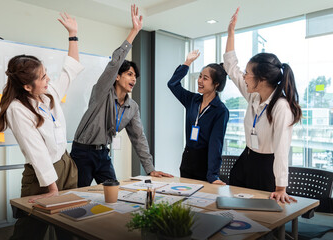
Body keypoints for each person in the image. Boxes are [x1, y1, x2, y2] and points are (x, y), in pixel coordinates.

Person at [0, 13, 84, 239]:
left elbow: (69, 71)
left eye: (46, 74)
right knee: (30, 232)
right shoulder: (17, 109)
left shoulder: (47, 94)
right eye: (43, 77)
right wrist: (52, 188)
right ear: (26, 86)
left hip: (65, 164)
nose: (48, 79)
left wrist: (73, 35)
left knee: (69, 226)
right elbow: (37, 151)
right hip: (41, 175)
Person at [71, 5, 173, 188]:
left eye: (135, 76)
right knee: (79, 196)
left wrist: (150, 169)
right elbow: (114, 63)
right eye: (129, 74)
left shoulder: (132, 107)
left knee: (114, 193)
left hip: (103, 154)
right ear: (117, 76)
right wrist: (134, 31)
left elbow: (139, 137)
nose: (133, 78)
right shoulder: (101, 91)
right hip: (83, 152)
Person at [223, 8, 302, 203]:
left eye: (248, 73)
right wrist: (231, 33)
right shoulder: (254, 95)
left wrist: (281, 187)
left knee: (262, 221)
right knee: (237, 210)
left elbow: (282, 149)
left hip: (267, 167)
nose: (244, 76)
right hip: (246, 159)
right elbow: (231, 68)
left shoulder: (280, 107)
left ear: (263, 78)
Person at [167, 50, 229, 184]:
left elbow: (215, 143)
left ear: (216, 84)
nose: (199, 81)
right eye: (200, 76)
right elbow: (172, 84)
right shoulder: (192, 100)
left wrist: (213, 175)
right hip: (188, 159)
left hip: (205, 163)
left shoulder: (220, 110)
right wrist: (187, 63)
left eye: (205, 78)